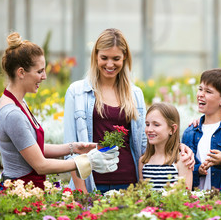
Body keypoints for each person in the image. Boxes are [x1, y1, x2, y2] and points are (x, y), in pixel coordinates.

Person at [64, 28, 194, 194]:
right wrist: (82, 194)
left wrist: (178, 146)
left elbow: (144, 140)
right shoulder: (77, 92)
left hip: (130, 182)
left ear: (124, 58)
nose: (110, 64)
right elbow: (71, 148)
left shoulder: (134, 94)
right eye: (104, 58)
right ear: (95, 56)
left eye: (116, 58)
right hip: (92, 182)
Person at [0, 32, 120, 190]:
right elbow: (40, 165)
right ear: (21, 72)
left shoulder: (15, 102)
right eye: (39, 71)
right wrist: (87, 161)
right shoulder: (12, 113)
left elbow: (32, 147)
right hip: (20, 194)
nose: (44, 76)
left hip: (27, 190)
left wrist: (74, 147)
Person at [139, 103, 192, 190]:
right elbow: (141, 195)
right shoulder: (143, 161)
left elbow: (186, 196)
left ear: (172, 129)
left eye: (156, 125)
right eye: (147, 124)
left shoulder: (182, 161)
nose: (149, 129)